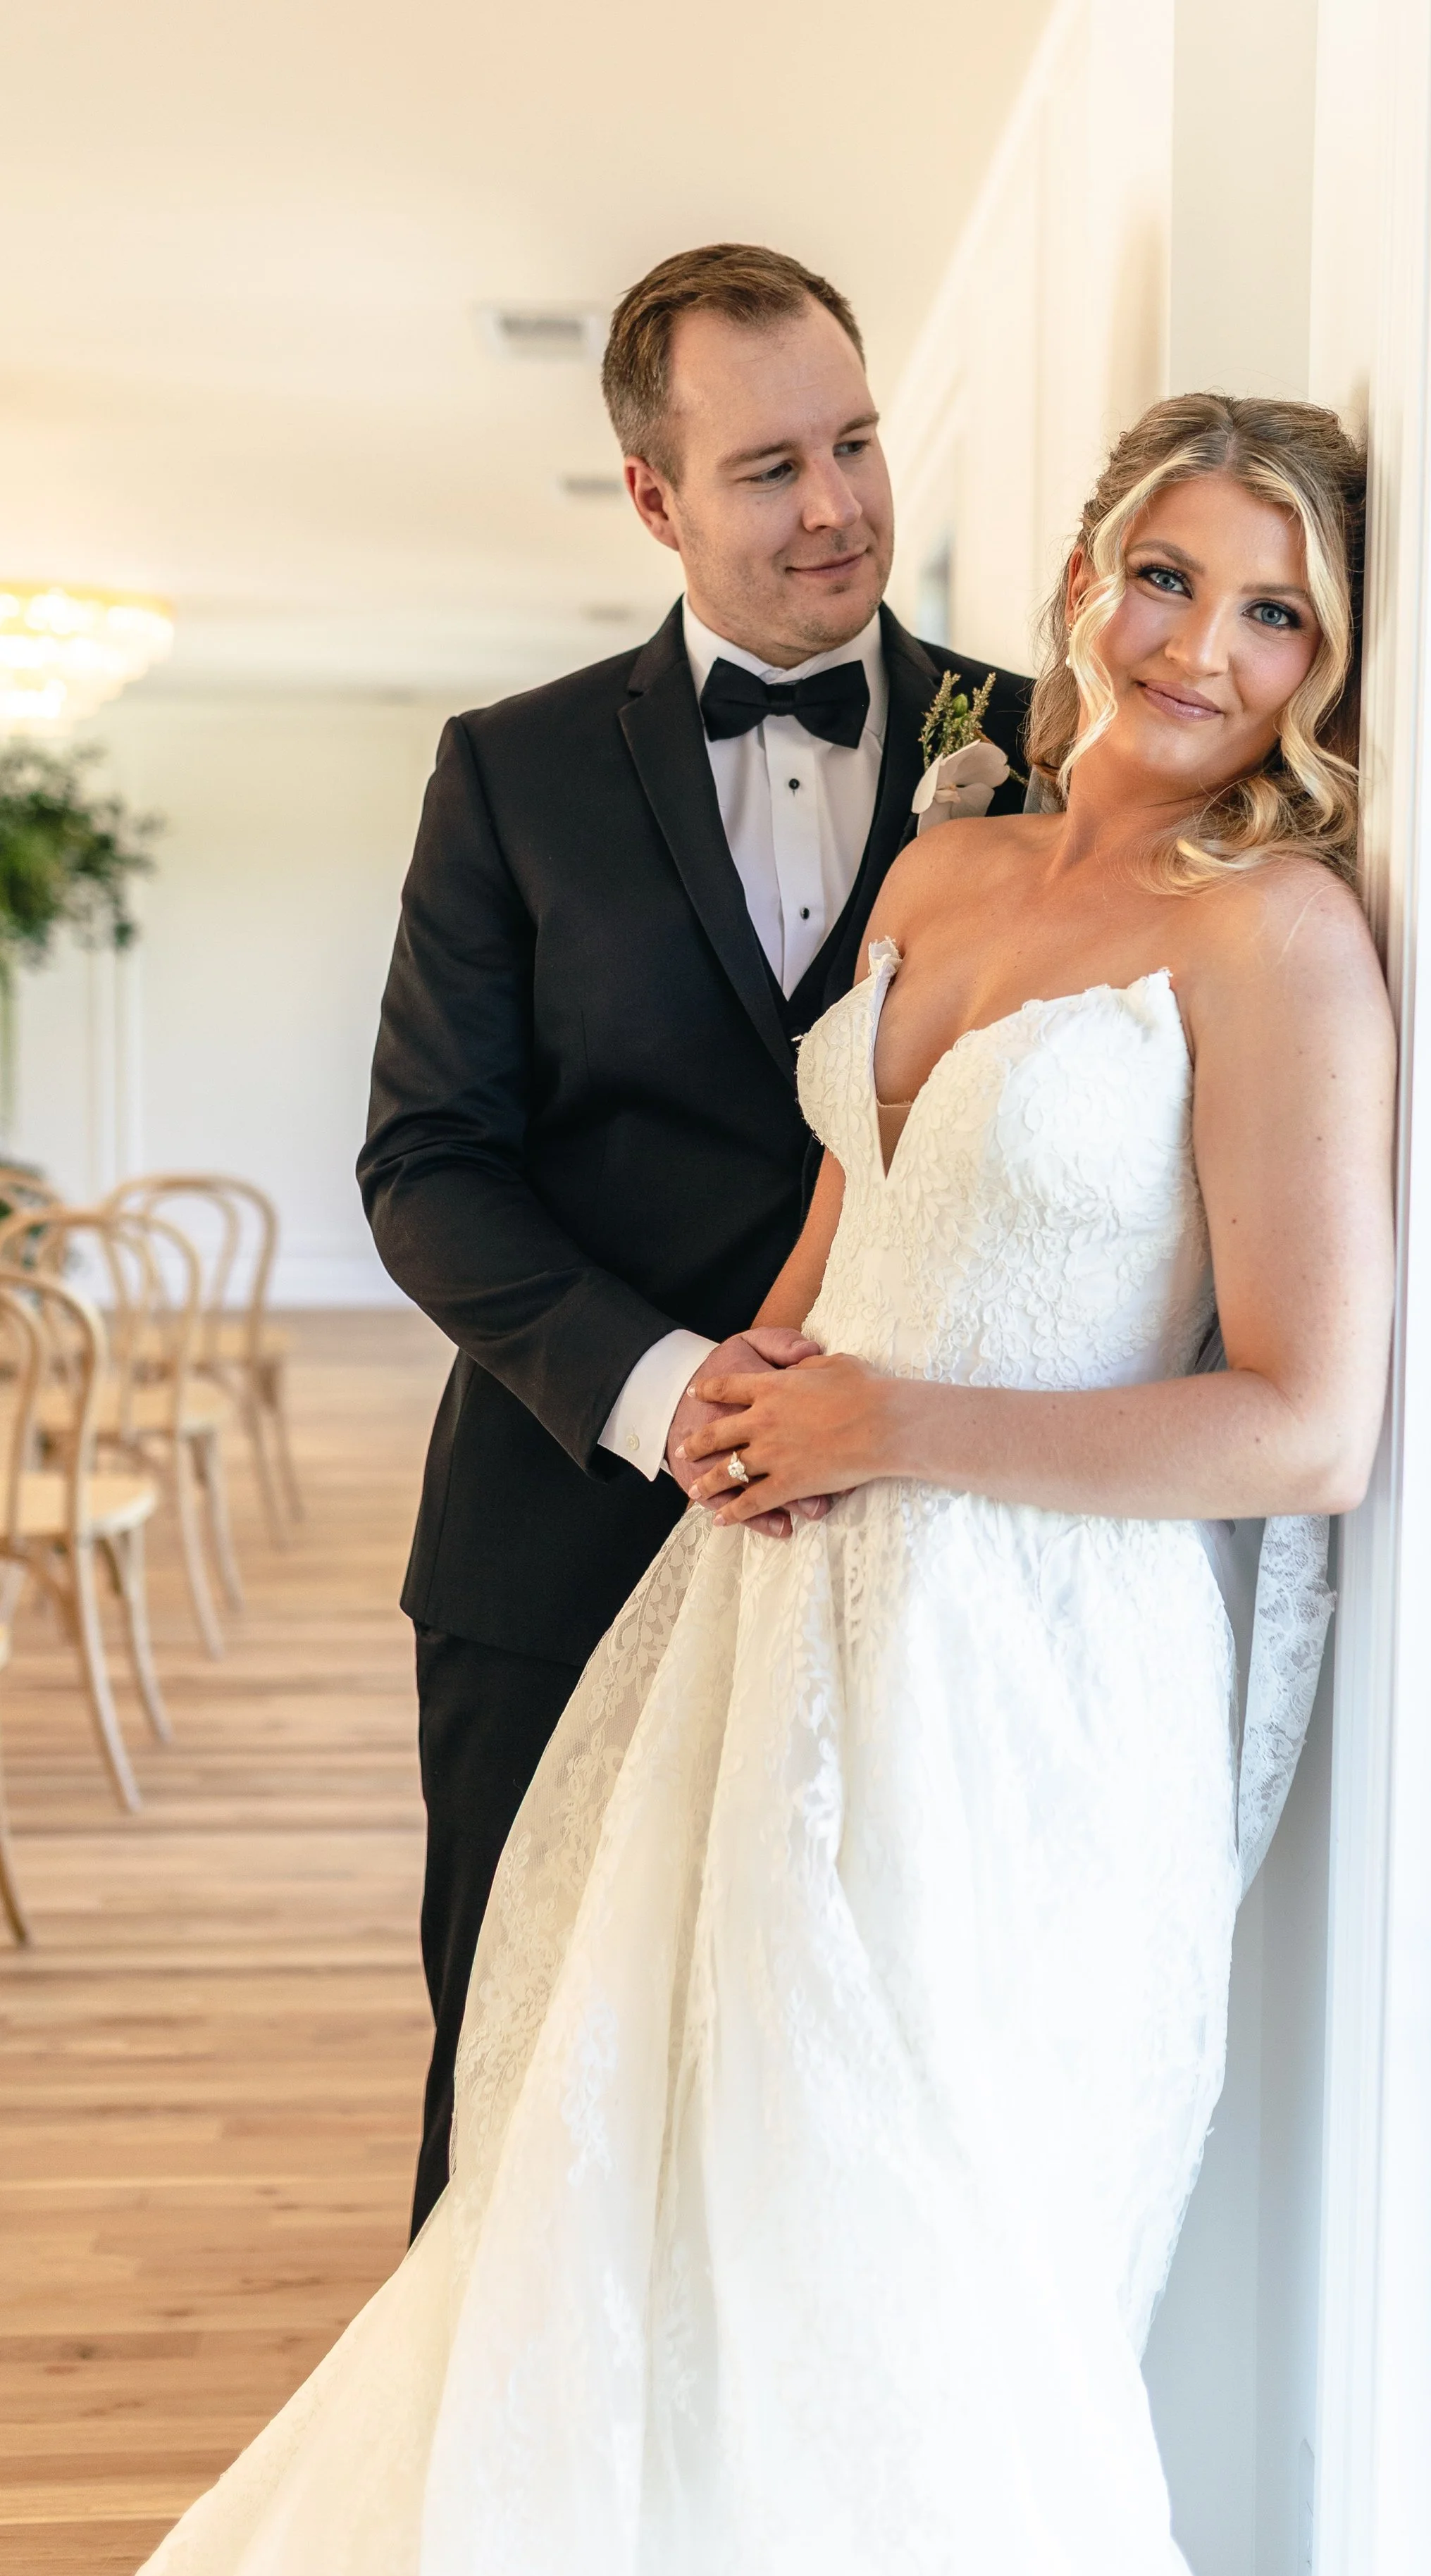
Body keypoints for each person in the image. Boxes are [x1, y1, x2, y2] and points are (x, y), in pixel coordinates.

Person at [85, 391, 1393, 2576]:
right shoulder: (943, 866)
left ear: (1326, 668)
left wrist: (886, 1420)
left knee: (912, 2254)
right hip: (770, 1612)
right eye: (1167, 575)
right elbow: (848, 1216)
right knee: (644, 2197)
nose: (1202, 646)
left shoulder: (1268, 936)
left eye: (1276, 614)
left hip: (1027, 1683)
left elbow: (1299, 1427)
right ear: (1081, 578)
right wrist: (738, 1402)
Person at [355, 242, 1032, 2232]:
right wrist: (668, 1391)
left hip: (894, 1560)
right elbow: (426, 1159)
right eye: (764, 469)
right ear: (651, 495)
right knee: (518, 2082)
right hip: (555, 1539)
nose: (832, 506)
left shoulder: (1038, 737)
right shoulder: (511, 773)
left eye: (853, 443)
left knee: (829, 2105)